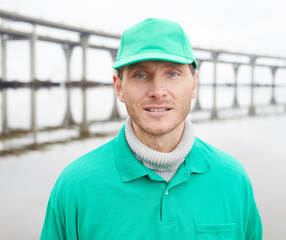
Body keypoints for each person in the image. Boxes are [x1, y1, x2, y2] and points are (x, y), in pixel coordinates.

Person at [40, 18, 263, 240]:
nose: (158, 91)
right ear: (119, 87)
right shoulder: (76, 186)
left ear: (194, 84)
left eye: (173, 74)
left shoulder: (232, 179)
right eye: (141, 75)